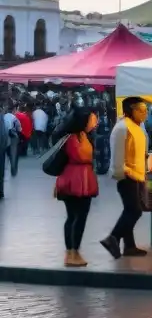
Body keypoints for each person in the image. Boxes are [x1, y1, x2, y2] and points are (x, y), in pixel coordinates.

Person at [100, 97, 149, 259]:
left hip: (138, 174)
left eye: (146, 110)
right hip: (127, 176)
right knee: (134, 211)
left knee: (130, 210)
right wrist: (123, 173)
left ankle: (129, 246)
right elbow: (117, 156)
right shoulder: (122, 128)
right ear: (131, 110)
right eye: (141, 110)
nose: (145, 114)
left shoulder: (137, 127)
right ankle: (112, 238)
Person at [53, 107, 99, 267]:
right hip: (74, 180)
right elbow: (80, 155)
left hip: (82, 179)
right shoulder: (72, 138)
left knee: (78, 217)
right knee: (75, 217)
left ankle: (74, 252)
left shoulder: (83, 136)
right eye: (92, 120)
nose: (95, 123)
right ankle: (72, 252)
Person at [3, 103, 20, 176]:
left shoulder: (3, 117)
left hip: (4, 137)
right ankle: (13, 168)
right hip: (13, 137)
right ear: (13, 110)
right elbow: (18, 128)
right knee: (13, 153)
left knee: (4, 154)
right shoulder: (14, 117)